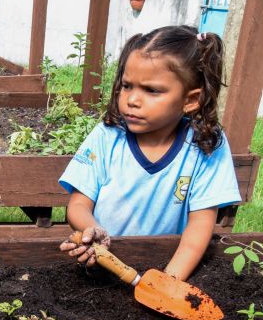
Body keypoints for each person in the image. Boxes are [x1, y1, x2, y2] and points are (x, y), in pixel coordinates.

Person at [58, 26, 241, 280]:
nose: (132, 99)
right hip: (102, 266)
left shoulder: (205, 145)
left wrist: (167, 283)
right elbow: (78, 205)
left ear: (191, 100)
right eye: (127, 86)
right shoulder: (107, 136)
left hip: (166, 265)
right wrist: (93, 230)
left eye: (151, 90)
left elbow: (200, 227)